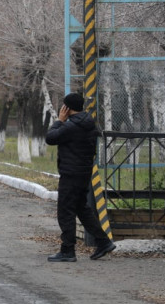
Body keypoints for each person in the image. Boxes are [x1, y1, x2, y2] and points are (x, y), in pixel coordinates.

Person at [45, 92, 116, 262]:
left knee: (65, 211)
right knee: (81, 209)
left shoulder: (70, 126)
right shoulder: (89, 124)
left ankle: (68, 250)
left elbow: (50, 138)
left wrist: (59, 120)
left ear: (66, 108)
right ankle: (103, 241)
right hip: (84, 173)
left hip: (71, 174)